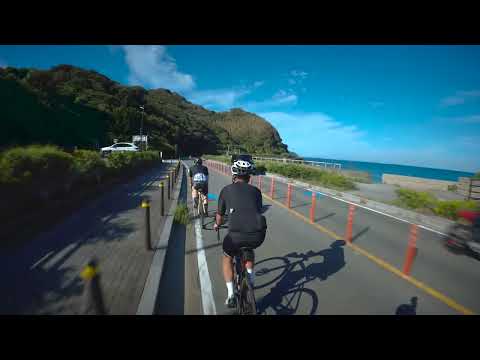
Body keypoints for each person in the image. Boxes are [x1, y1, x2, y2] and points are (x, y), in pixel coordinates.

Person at [214, 158, 267, 308]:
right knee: (249, 248)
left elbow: (219, 215)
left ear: (234, 175)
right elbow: (258, 210)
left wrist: (217, 225)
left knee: (227, 257)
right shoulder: (256, 192)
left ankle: (231, 294)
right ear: (249, 176)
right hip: (257, 235)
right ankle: (249, 275)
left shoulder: (226, 190)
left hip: (235, 237)